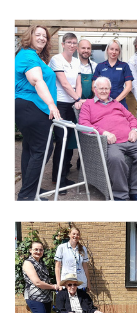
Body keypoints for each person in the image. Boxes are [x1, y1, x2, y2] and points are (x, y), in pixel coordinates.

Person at [78, 77, 137, 200]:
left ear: (110, 90)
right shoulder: (88, 105)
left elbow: (132, 118)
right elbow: (83, 124)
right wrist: (104, 133)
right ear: (95, 89)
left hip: (130, 138)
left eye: (106, 88)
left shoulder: (116, 104)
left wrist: (134, 130)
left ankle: (136, 191)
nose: (104, 91)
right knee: (115, 158)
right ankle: (120, 194)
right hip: (110, 142)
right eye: (101, 88)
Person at [15, 24, 60, 200]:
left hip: (30, 108)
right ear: (30, 36)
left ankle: (30, 189)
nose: (42, 38)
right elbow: (37, 80)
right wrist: (51, 105)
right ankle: (26, 196)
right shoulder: (28, 55)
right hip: (32, 107)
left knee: (29, 149)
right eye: (38, 34)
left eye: (45, 36)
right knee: (42, 149)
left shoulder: (34, 56)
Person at [48, 33, 83, 187]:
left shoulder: (76, 62)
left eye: (74, 43)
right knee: (61, 142)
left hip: (72, 105)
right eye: (69, 42)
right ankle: (58, 180)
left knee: (68, 142)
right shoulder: (56, 59)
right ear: (63, 44)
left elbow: (78, 83)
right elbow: (64, 84)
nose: (72, 45)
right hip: (60, 104)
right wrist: (77, 99)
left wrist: (78, 99)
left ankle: (62, 175)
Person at [23, 240, 61, 313]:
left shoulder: (41, 263)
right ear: (30, 250)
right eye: (36, 249)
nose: (38, 251)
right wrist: (53, 286)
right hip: (34, 298)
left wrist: (54, 285)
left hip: (46, 298)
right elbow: (37, 282)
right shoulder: (28, 263)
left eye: (40, 249)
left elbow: (45, 281)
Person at [92, 40, 133, 106]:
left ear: (119, 52)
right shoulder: (100, 66)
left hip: (119, 103)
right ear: (107, 50)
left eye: (116, 50)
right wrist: (103, 100)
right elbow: (94, 87)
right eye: (111, 49)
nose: (114, 52)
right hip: (103, 104)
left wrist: (115, 101)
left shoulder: (124, 66)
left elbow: (129, 87)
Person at [55, 226, 90, 291]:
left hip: (80, 283)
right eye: (73, 234)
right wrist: (59, 283)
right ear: (69, 235)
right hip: (67, 283)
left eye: (77, 234)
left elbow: (85, 267)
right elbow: (57, 267)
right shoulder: (61, 247)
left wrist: (88, 283)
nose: (75, 236)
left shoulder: (83, 249)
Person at [75, 39, 98, 105]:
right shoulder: (72, 65)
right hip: (75, 102)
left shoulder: (95, 66)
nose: (86, 50)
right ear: (77, 49)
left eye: (88, 48)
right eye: (83, 48)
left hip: (91, 102)